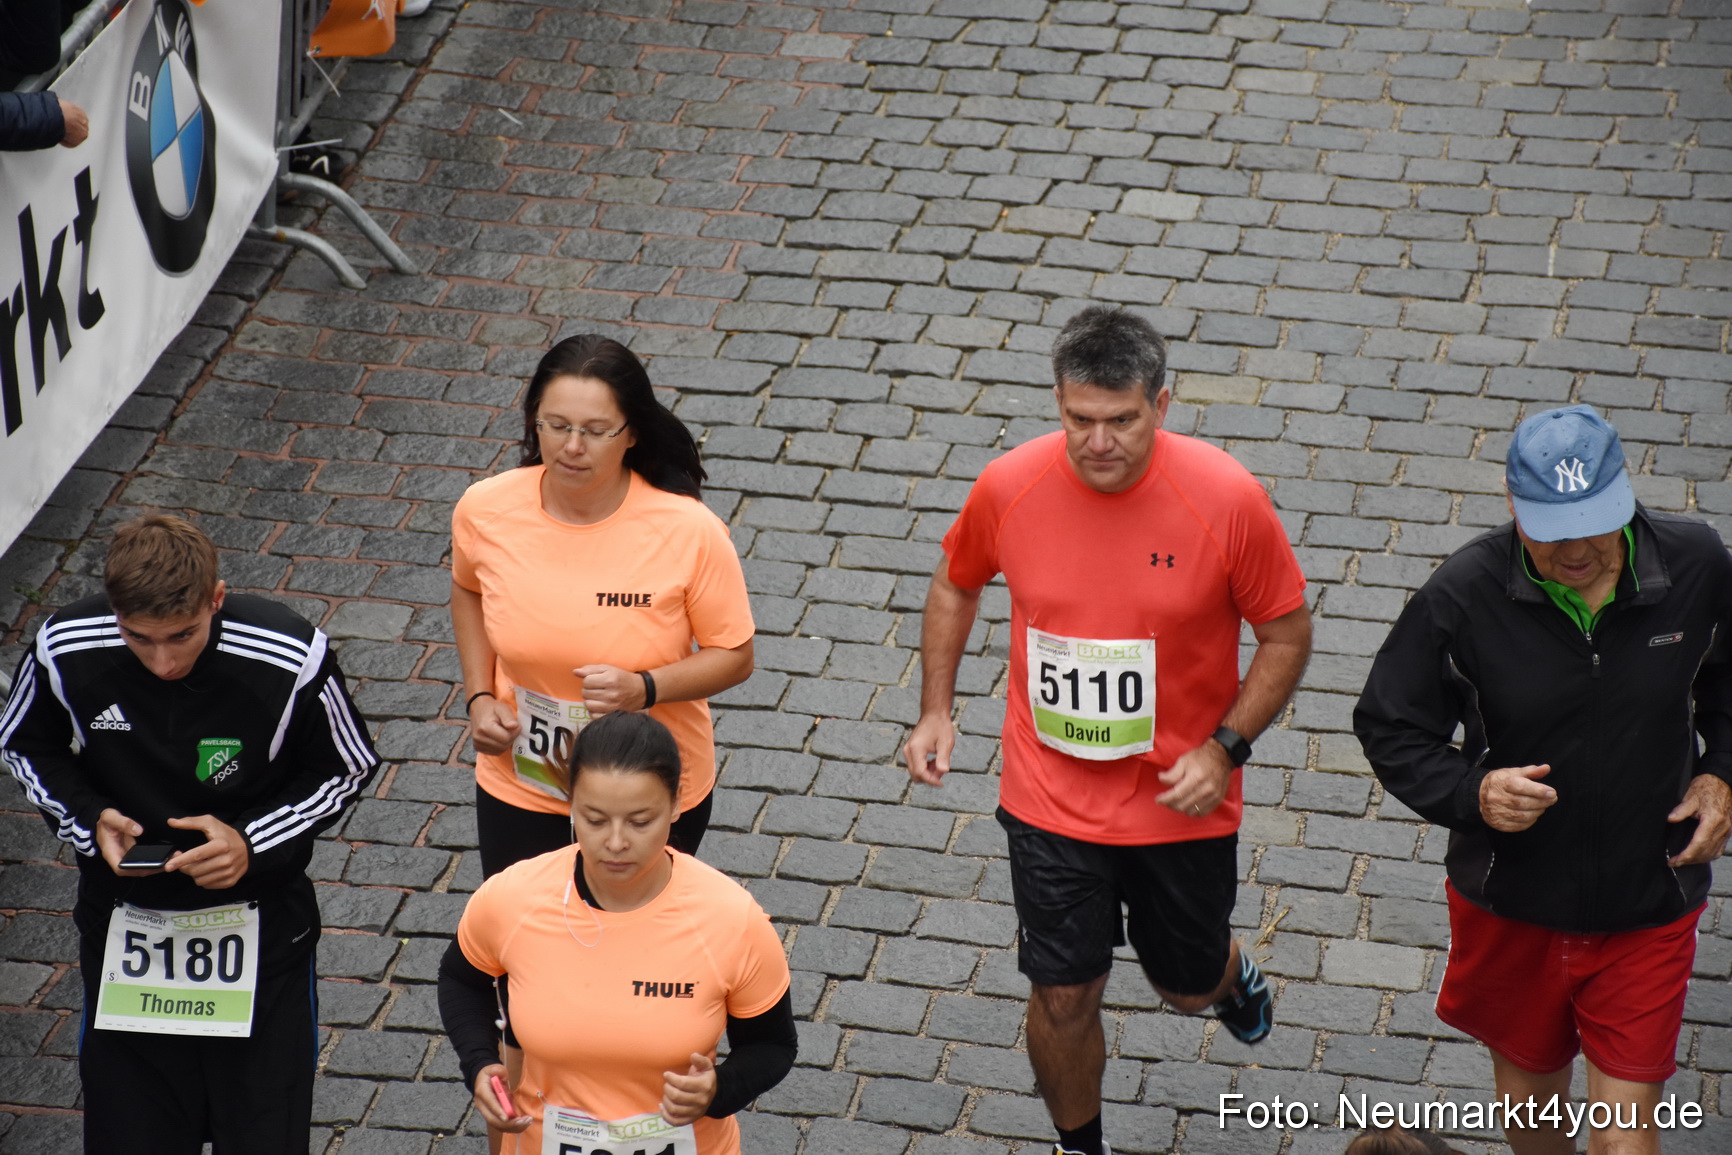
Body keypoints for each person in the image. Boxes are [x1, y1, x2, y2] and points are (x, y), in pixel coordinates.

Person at [902, 305, 1313, 1155]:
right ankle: (1077, 1144)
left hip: (1179, 798)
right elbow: (955, 584)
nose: (1097, 442)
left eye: (1121, 420)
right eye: (1077, 420)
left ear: (1163, 404)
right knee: (1063, 993)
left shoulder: (1228, 499)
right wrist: (936, 706)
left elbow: (1286, 633)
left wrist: (1224, 748)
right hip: (1050, 797)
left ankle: (1227, 974)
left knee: (1184, 985)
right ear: (1057, 404)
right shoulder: (1010, 484)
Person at [1355, 404, 1732, 1155]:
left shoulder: (1698, 568)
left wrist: (1722, 773)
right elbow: (1390, 724)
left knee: (1625, 1143)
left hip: (1647, 901)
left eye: (1593, 522)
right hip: (1513, 908)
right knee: (1537, 1132)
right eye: (1549, 528)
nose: (1575, 549)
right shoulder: (1461, 596)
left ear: (1624, 495)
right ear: (1511, 504)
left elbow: (1725, 687)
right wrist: (1473, 793)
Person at [0, 513, 380, 1154]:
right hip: (124, 926)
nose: (164, 661)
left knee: (262, 1136)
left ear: (217, 599)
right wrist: (89, 817)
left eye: (183, 635)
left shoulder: (290, 655)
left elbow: (347, 764)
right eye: (139, 639)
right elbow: (24, 743)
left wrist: (251, 843)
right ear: (113, 612)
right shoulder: (64, 643)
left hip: (260, 932)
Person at [450, 333, 754, 879]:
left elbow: (734, 655)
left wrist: (644, 688)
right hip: (524, 781)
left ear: (631, 433)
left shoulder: (690, 532)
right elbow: (468, 588)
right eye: (556, 426)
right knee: (530, 944)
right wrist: (477, 696)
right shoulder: (485, 509)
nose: (572, 446)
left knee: (629, 943)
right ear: (532, 423)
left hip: (644, 796)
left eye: (594, 431)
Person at [437, 711, 795, 1155]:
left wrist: (720, 1088)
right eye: (595, 819)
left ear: (676, 805)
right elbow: (461, 979)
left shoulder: (731, 919)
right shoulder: (513, 898)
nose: (616, 842)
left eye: (640, 821)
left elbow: (773, 1045)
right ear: (570, 804)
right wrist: (479, 1063)